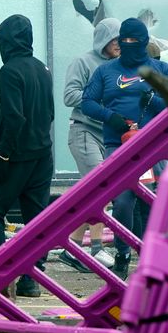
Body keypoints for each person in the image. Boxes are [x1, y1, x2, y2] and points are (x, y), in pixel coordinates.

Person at [82, 17, 168, 280]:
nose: (130, 45)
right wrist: (108, 116)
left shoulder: (161, 69)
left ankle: (152, 260)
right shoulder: (105, 71)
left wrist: (155, 101)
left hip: (154, 147)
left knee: (152, 203)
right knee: (123, 201)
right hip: (119, 146)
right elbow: (87, 102)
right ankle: (123, 253)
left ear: (145, 41)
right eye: (125, 40)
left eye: (136, 40)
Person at [0, 14, 54, 297]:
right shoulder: (42, 68)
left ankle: (2, 270)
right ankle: (31, 279)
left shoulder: (9, 71)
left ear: (6, 43)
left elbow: (14, 116)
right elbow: (50, 113)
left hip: (17, 155)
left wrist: (3, 157)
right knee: (36, 218)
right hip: (43, 155)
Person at [59, 18, 121, 273]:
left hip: (108, 136)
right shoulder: (83, 62)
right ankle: (94, 248)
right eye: (116, 40)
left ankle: (75, 247)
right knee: (101, 188)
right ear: (104, 39)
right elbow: (69, 96)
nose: (120, 45)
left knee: (98, 191)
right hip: (84, 131)